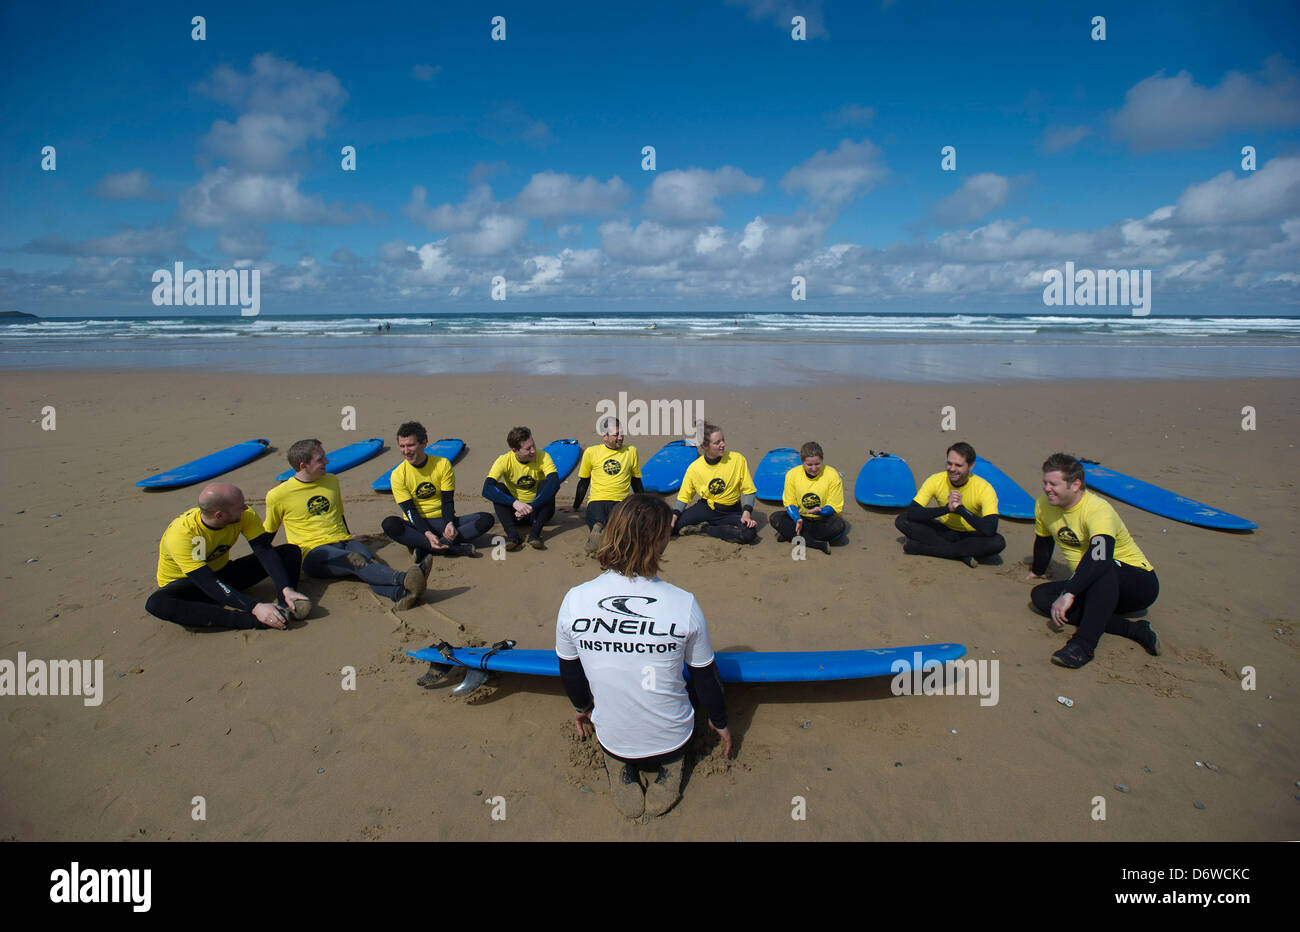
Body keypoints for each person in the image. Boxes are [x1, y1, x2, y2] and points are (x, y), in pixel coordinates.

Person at [556, 495, 732, 819]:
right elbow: (706, 676)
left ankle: (620, 765)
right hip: (674, 737)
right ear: (660, 542)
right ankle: (670, 767)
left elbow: (571, 673)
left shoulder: (574, 600)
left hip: (610, 736)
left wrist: (582, 709)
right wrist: (719, 721)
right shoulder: (684, 603)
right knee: (688, 676)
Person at [1027, 453, 1161, 669]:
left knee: (1101, 566)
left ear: (1075, 485)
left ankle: (1083, 646)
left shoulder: (1098, 510)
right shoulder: (1043, 505)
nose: (1046, 488)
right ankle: (1135, 630)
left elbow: (1100, 556)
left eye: (1053, 483)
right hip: (1091, 584)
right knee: (1042, 596)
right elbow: (1044, 539)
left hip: (1137, 583)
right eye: (1045, 482)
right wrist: (1038, 569)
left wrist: (1069, 592)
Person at [264, 439, 428, 611]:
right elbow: (267, 536)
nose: (327, 462)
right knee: (357, 561)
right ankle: (404, 579)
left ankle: (401, 594)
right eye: (320, 459)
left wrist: (349, 537)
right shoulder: (278, 495)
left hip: (343, 541)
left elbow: (338, 514)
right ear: (303, 465)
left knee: (370, 564)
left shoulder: (331, 481)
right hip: (314, 552)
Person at [145, 483, 310, 630]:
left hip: (222, 574)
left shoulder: (245, 516)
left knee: (289, 552)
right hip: (189, 586)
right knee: (157, 604)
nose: (246, 508)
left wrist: (285, 587)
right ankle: (257, 620)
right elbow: (207, 582)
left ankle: (285, 606)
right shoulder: (183, 534)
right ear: (219, 515)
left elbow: (264, 551)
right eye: (239, 506)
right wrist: (255, 607)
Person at [380, 421, 493, 559]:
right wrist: (427, 532)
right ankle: (451, 548)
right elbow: (409, 511)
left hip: (442, 521)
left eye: (410, 445)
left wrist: (449, 523)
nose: (406, 451)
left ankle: (424, 547)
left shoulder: (442, 465)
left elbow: (447, 501)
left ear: (424, 443)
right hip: (417, 524)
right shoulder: (397, 474)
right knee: (389, 524)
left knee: (486, 519)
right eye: (402, 446)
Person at [895, 441, 1006, 567]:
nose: (952, 469)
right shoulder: (936, 480)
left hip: (970, 535)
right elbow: (913, 512)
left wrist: (960, 508)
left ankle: (923, 549)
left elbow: (989, 528)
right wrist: (947, 508)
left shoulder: (984, 488)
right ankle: (961, 555)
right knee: (902, 520)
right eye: (949, 463)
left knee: (998, 542)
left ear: (970, 466)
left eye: (958, 465)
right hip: (943, 531)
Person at [671, 423, 758, 544]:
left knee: (749, 534)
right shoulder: (694, 468)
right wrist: (674, 517)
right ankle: (707, 525)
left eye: (723, 440)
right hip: (706, 508)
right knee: (671, 527)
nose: (723, 444)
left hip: (731, 512)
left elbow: (749, 491)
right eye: (717, 442)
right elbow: (683, 497)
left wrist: (747, 514)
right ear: (705, 446)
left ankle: (705, 529)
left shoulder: (737, 460)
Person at [569, 417, 643, 556]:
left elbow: (636, 481)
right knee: (600, 522)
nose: (620, 437)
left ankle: (602, 539)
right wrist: (575, 506)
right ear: (605, 436)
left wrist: (643, 503)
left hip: (620, 502)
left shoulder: (631, 451)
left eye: (621, 433)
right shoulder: (591, 452)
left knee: (612, 525)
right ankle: (603, 538)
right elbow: (583, 482)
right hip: (598, 500)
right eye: (616, 435)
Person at [481, 426, 559, 551]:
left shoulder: (543, 456)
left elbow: (555, 483)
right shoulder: (504, 460)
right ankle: (512, 537)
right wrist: (514, 503)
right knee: (498, 488)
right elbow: (486, 489)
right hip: (515, 514)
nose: (533, 450)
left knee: (546, 484)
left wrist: (532, 506)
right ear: (515, 450)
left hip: (538, 512)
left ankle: (535, 535)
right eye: (528, 449)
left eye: (533, 445)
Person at [768, 441, 846, 554]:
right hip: (801, 519)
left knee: (839, 526)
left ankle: (792, 536)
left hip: (822, 520)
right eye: (809, 465)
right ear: (802, 462)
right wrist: (796, 518)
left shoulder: (832, 475)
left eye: (817, 464)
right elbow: (790, 503)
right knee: (775, 518)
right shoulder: (792, 474)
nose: (814, 469)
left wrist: (821, 511)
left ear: (822, 460)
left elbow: (835, 506)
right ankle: (816, 544)